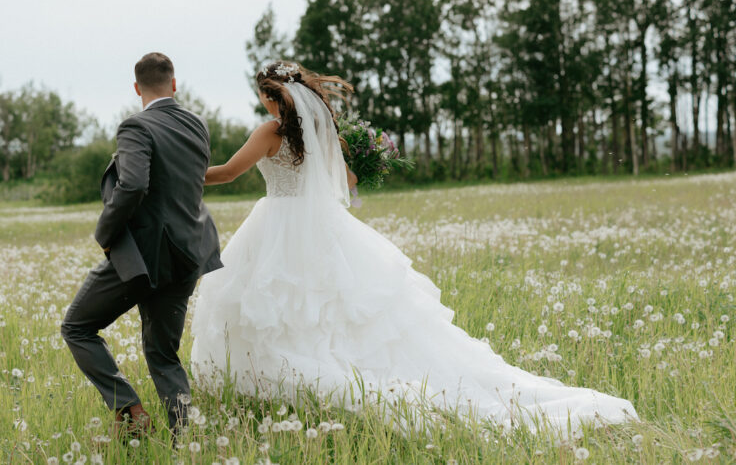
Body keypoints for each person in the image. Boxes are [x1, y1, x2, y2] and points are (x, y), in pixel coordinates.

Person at [189, 61, 638, 434]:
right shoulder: (323, 132)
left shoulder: (269, 132)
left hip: (278, 225)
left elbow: (229, 172)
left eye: (263, 96)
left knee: (279, 307)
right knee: (333, 306)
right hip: (322, 226)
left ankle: (278, 389)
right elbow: (347, 182)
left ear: (272, 97)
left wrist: (182, 176)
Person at [61, 53, 223, 440]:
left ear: (137, 88)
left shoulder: (136, 126)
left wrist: (105, 233)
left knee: (77, 327)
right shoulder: (197, 123)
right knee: (164, 354)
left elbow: (133, 185)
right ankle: (185, 439)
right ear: (174, 83)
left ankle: (130, 410)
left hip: (144, 257)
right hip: (190, 251)